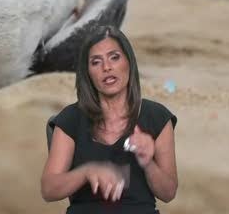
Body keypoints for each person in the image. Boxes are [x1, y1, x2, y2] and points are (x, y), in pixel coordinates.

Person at [41, 27, 178, 213]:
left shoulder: (156, 117)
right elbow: (49, 190)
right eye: (96, 62)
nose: (107, 67)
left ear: (129, 62)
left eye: (114, 57)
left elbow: (168, 193)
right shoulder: (70, 119)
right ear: (87, 73)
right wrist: (86, 172)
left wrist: (148, 163)